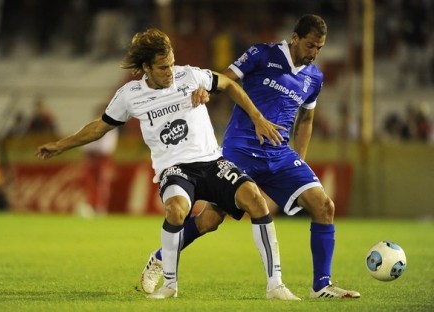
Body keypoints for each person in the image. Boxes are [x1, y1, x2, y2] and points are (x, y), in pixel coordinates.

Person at [36, 28, 299, 300]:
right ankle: (170, 285)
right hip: (175, 169)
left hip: (211, 162)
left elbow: (230, 84)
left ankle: (275, 285)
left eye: (172, 63)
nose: (170, 71)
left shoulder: (190, 75)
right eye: (163, 67)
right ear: (146, 68)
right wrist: (61, 145)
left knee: (248, 203)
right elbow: (100, 127)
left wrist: (257, 118)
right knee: (176, 210)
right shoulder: (130, 95)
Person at [141, 15, 361, 299]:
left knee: (324, 206)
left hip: (280, 155)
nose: (314, 53)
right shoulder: (262, 54)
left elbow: (306, 120)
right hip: (240, 151)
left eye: (319, 48)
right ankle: (160, 257)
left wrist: (300, 159)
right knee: (209, 221)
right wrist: (203, 91)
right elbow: (225, 80)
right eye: (310, 45)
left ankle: (322, 285)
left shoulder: (314, 77)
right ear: (295, 38)